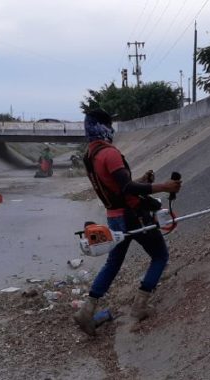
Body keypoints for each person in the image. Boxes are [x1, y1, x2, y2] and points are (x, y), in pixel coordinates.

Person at [73, 109, 182, 336]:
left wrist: (142, 180)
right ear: (103, 127)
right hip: (132, 215)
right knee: (160, 256)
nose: (112, 129)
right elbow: (127, 188)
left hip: (114, 218)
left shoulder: (90, 156)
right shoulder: (109, 154)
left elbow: (115, 186)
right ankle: (140, 305)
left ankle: (87, 309)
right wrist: (164, 186)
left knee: (113, 263)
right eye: (109, 125)